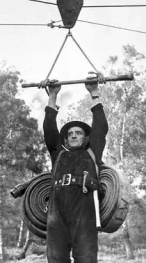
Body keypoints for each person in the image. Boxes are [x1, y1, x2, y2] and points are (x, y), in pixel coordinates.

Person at [43, 80, 108, 263]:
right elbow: (49, 129)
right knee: (55, 259)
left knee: (86, 259)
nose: (73, 135)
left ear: (86, 138)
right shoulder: (58, 154)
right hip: (57, 213)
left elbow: (100, 127)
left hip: (84, 210)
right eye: (70, 133)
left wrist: (94, 93)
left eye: (78, 133)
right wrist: (53, 95)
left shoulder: (92, 151)